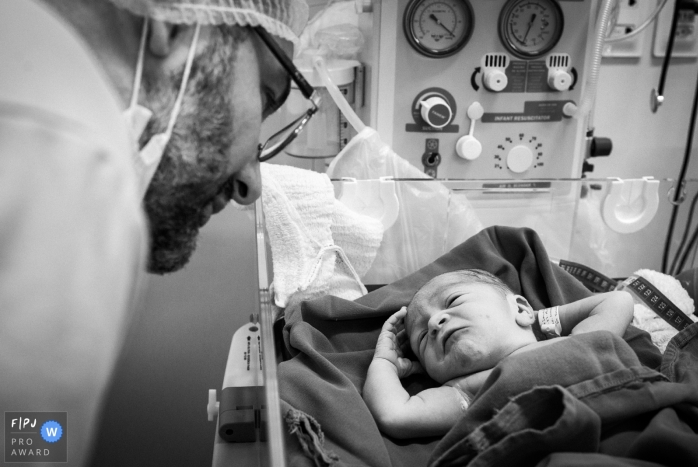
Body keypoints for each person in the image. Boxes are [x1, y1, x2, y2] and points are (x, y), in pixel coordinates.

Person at [0, 0, 309, 465]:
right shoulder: (74, 160)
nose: (253, 183)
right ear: (174, 23)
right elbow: (27, 451)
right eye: (266, 96)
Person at [363, 269, 634, 439]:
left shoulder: (575, 341)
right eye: (422, 338)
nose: (434, 324)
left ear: (521, 309)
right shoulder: (464, 392)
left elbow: (616, 300)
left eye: (453, 301)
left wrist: (532, 320)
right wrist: (385, 362)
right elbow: (395, 415)